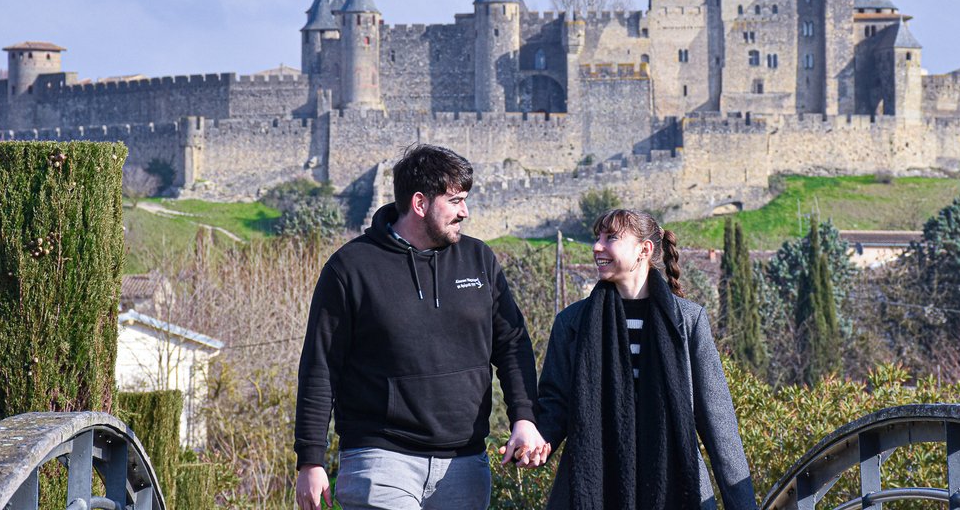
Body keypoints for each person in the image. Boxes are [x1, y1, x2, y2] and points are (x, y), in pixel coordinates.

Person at [294, 144, 549, 510]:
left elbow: (511, 345)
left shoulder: (480, 260)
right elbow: (320, 367)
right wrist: (311, 458)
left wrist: (524, 419)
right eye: (456, 200)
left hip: (465, 464)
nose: (466, 211)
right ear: (419, 204)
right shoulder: (350, 268)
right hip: (379, 460)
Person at [536, 209, 757, 510]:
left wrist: (742, 505)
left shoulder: (688, 322)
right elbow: (554, 405)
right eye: (597, 238)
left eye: (611, 238)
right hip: (597, 483)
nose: (597, 247)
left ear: (644, 249)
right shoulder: (572, 323)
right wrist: (535, 443)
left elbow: (719, 424)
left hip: (676, 486)